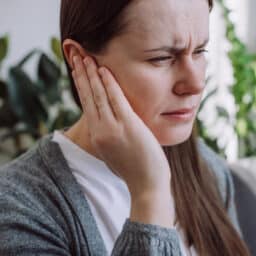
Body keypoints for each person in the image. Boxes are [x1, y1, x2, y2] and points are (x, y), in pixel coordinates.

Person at [0, 0, 251, 255]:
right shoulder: (19, 206)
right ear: (79, 59)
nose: (196, 83)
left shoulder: (208, 169)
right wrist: (149, 195)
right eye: (161, 58)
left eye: (200, 51)